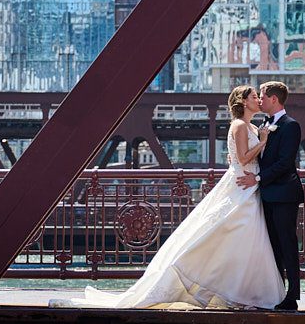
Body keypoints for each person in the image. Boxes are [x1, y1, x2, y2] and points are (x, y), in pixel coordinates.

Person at [60, 85, 286, 309]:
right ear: (244, 102)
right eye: (254, 96)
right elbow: (244, 158)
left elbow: (243, 158)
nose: (258, 100)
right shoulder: (239, 126)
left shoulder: (252, 127)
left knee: (245, 240)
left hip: (249, 187)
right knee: (230, 235)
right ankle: (229, 289)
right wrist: (263, 141)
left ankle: (241, 291)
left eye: (259, 96)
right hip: (240, 188)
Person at [236, 80, 304, 311]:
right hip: (266, 194)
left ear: (274, 99)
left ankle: (292, 295)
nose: (260, 100)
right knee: (273, 245)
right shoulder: (263, 124)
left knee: (287, 244)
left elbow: (286, 163)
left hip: (284, 194)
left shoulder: (290, 126)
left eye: (262, 96)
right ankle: (276, 292)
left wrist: (257, 179)